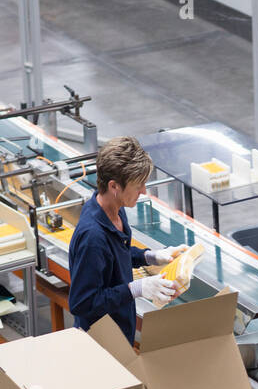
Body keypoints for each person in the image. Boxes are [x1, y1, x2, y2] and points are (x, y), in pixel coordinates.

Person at [68, 136, 187, 343]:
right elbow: (82, 303)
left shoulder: (114, 211)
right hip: (99, 341)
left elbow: (114, 255)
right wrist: (137, 289)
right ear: (114, 186)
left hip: (120, 332)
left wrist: (151, 257)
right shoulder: (92, 237)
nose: (143, 191)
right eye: (138, 185)